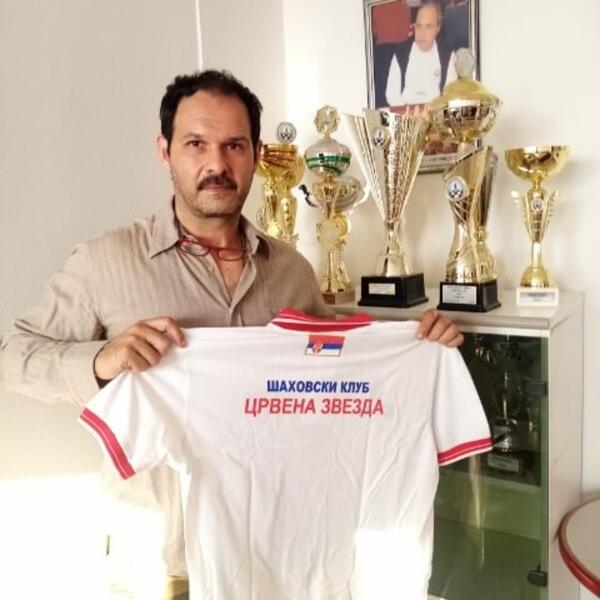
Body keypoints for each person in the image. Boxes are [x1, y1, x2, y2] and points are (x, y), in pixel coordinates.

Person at [1, 69, 463, 599]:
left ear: (256, 155)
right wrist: (100, 360)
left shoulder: (291, 270)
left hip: (281, 558)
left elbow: (333, 370)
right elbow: (13, 355)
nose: (216, 164)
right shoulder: (105, 260)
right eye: (196, 144)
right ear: (165, 151)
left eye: (234, 146)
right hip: (162, 568)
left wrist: (415, 345)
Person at [384, 1, 457, 108]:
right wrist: (409, 114)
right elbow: (391, 94)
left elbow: (450, 95)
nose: (422, 33)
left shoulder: (447, 54)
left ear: (438, 28)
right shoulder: (401, 52)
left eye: (428, 27)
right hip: (405, 111)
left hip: (435, 112)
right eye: (419, 26)